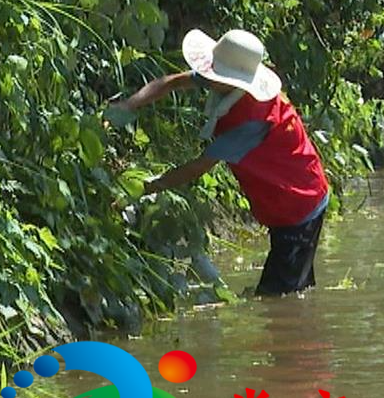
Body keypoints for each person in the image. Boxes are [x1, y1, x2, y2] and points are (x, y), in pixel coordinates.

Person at [112, 28, 331, 296]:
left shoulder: (251, 121)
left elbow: (198, 167)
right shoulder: (223, 82)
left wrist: (146, 187)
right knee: (293, 287)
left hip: (300, 205)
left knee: (278, 298)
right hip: (289, 193)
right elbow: (168, 82)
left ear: (235, 82)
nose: (206, 75)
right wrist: (127, 106)